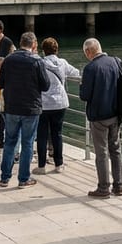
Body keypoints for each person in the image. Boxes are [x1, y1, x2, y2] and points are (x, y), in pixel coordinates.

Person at [0, 32, 50, 188]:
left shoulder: (9, 59)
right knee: (27, 143)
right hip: (30, 108)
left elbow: (1, 82)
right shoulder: (37, 61)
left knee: (10, 142)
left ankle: (5, 177)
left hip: (12, 107)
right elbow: (45, 85)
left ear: (20, 43)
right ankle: (23, 178)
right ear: (33, 45)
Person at [79, 38, 122, 198]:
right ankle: (119, 185)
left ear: (88, 52)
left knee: (102, 152)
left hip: (98, 116)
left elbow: (84, 95)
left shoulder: (90, 68)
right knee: (116, 149)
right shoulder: (116, 62)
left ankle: (104, 187)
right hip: (116, 113)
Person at [34, 37, 80, 175]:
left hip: (43, 103)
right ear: (57, 50)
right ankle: (58, 163)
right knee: (57, 133)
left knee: (42, 134)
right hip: (60, 103)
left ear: (43, 51)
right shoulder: (62, 63)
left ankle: (41, 166)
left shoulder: (39, 63)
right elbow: (76, 73)